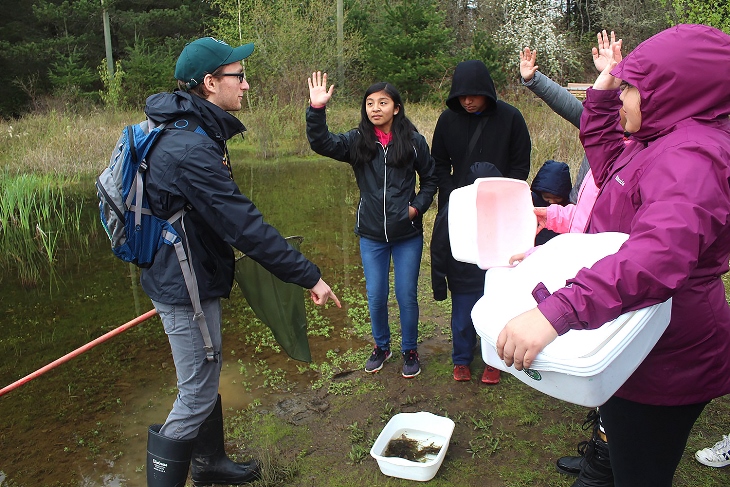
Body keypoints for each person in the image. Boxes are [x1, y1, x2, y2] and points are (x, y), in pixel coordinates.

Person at [497, 24, 730, 487]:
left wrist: (557, 310)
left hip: (668, 354)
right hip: (635, 331)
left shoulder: (692, 158)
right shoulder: (658, 141)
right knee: (619, 451)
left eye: (631, 89)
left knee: (639, 474)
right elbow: (608, 161)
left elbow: (658, 258)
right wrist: (607, 87)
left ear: (671, 92)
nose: (622, 97)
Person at [141, 37, 341, 487]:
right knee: (194, 393)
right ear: (210, 83)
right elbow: (245, 226)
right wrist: (309, 275)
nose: (247, 85)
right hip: (183, 283)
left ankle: (209, 463)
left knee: (204, 374)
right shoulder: (189, 148)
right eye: (239, 76)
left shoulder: (193, 128)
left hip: (190, 273)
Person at [518, 40, 619, 486]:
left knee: (618, 373)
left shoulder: (639, 151)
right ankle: (600, 449)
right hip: (587, 259)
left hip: (613, 273)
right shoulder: (603, 133)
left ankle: (605, 465)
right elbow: (586, 211)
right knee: (603, 376)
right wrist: (555, 217)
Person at [306, 72, 438, 378]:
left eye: (383, 102)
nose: (375, 108)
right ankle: (381, 346)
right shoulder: (357, 141)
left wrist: (416, 208)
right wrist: (316, 110)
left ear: (396, 108)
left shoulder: (414, 142)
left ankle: (410, 350)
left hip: (407, 234)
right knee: (376, 295)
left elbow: (431, 180)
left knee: (406, 295)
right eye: (369, 103)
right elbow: (322, 143)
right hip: (371, 236)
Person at [431, 162, 504, 384]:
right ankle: (461, 360)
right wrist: (439, 284)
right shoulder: (454, 209)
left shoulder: (505, 209)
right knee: (462, 322)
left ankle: (493, 363)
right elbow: (439, 245)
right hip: (462, 278)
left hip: (494, 279)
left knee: (494, 321)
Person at [431, 59, 531, 211]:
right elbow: (439, 162)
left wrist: (503, 193)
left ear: (485, 91)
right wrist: (451, 191)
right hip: (458, 200)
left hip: (500, 203)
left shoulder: (510, 117)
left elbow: (520, 165)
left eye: (473, 95)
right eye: (462, 96)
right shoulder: (447, 119)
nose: (467, 101)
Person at [530, 160, 571, 246]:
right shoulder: (531, 201)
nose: (552, 202)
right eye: (547, 197)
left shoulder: (569, 209)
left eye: (557, 198)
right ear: (540, 192)